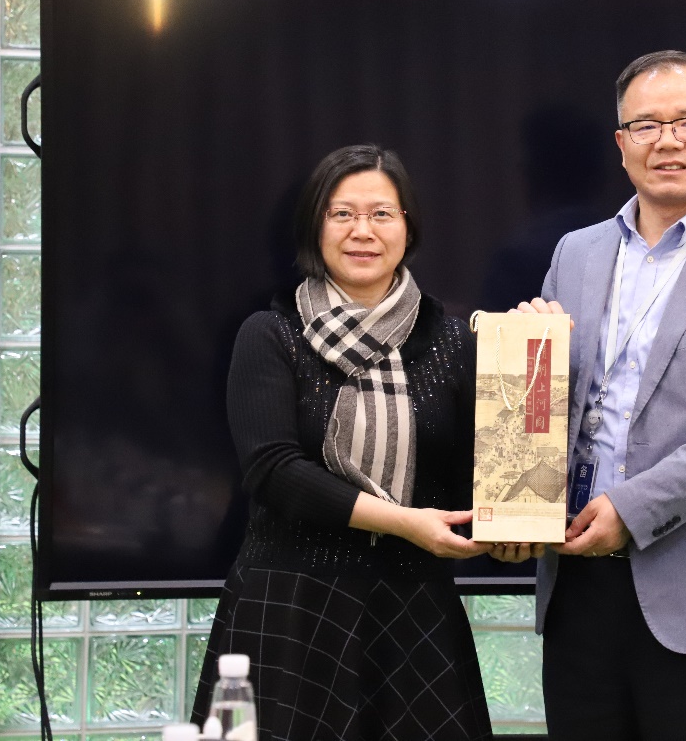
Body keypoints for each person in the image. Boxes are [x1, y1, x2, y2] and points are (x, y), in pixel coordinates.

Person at [496, 50, 686, 740]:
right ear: (621, 144)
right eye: (646, 125)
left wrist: (631, 510)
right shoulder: (573, 253)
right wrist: (525, 374)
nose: (667, 140)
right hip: (577, 585)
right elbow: (548, 407)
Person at [193, 144, 494, 741]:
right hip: (289, 607)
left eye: (382, 213)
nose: (363, 231)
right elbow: (273, 470)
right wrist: (404, 522)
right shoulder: (270, 334)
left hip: (414, 611)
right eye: (342, 214)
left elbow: (480, 478)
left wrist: (537, 354)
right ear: (316, 225)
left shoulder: (455, 342)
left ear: (408, 227)